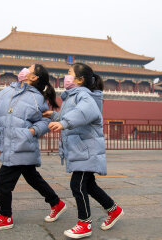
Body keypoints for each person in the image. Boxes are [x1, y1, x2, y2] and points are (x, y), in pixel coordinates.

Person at [43, 63, 124, 239]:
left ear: (80, 80)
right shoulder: (73, 95)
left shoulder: (83, 95)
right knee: (89, 185)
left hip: (85, 149)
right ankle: (114, 210)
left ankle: (84, 223)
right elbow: (72, 115)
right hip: (82, 148)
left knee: (77, 185)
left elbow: (85, 112)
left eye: (69, 73)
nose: (66, 76)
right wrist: (54, 116)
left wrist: (63, 123)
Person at [0, 64, 67, 231]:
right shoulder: (5, 92)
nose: (24, 69)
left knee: (3, 181)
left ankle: (5, 216)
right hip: (8, 142)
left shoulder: (37, 98)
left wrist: (31, 131)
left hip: (21, 144)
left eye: (29, 68)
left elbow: (44, 121)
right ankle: (56, 203)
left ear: (34, 77)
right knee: (32, 178)